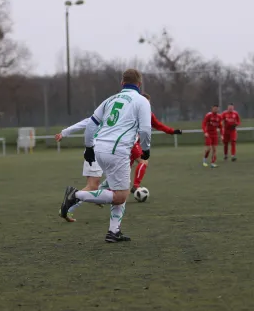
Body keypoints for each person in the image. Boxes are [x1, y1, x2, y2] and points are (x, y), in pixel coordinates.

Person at [59, 69, 151, 243]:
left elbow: (91, 125)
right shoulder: (141, 101)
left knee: (120, 187)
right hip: (118, 150)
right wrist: (146, 149)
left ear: (122, 83)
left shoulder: (109, 100)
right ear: (139, 85)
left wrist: (88, 148)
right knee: (121, 195)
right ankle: (76, 196)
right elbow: (145, 130)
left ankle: (113, 232)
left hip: (100, 148)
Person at [55, 118, 107, 223]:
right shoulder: (107, 117)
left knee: (107, 180)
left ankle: (98, 195)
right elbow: (80, 125)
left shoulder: (100, 116)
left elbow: (79, 124)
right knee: (92, 186)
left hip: (99, 153)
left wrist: (63, 133)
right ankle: (68, 207)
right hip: (96, 153)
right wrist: (63, 133)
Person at [130, 93, 182, 192]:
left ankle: (109, 190)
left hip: (130, 143)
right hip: (130, 142)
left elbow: (159, 125)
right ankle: (135, 186)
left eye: (148, 103)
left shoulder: (148, 114)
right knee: (143, 161)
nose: (147, 105)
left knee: (124, 170)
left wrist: (172, 131)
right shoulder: (133, 113)